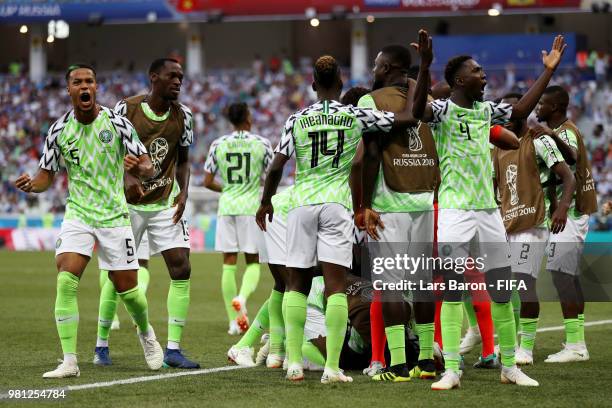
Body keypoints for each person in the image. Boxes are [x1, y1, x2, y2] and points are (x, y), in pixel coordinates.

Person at [412, 29, 567, 389]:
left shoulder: (486, 111)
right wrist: (424, 67)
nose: (484, 75)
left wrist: (548, 71)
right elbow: (416, 109)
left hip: (488, 212)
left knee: (501, 289)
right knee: (451, 290)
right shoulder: (441, 111)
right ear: (459, 80)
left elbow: (521, 110)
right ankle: (452, 369)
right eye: (478, 71)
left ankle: (509, 366)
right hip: (453, 211)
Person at [256, 55, 418, 384]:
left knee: (297, 285)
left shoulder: (296, 118)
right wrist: (418, 77)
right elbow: (409, 118)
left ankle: (295, 364)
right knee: (336, 288)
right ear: (341, 84)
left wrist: (265, 203)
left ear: (313, 86)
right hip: (337, 206)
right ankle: (332, 368)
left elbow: (276, 167)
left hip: (302, 204)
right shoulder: (355, 114)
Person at [15, 63, 162, 378]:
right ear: (69, 89)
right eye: (78, 82)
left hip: (113, 215)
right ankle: (69, 361)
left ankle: (146, 332)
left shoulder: (118, 124)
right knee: (66, 278)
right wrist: (32, 186)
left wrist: (140, 169)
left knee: (128, 290)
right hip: (78, 214)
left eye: (90, 81)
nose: (85, 86)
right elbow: (45, 177)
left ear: (96, 88)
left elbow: (149, 166)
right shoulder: (58, 130)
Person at [95, 58, 198, 369]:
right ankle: (101, 344)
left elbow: (183, 160)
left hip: (165, 202)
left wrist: (185, 193)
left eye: (181, 77)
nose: (178, 81)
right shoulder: (127, 109)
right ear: (154, 77)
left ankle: (174, 349)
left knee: (181, 268)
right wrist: (127, 178)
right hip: (129, 205)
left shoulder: (185, 116)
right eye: (172, 76)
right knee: (118, 274)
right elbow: (108, 152)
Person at [358, 44, 438, 382]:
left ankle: (398, 364)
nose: (373, 70)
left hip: (389, 202)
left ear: (389, 67)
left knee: (389, 284)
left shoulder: (370, 101)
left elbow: (368, 156)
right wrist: (426, 69)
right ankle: (427, 361)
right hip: (424, 199)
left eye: (377, 64)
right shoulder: (429, 101)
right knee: (421, 283)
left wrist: (363, 206)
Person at [493, 93, 575, 365]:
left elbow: (568, 175)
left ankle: (525, 350)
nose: (505, 116)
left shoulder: (538, 141)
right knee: (506, 287)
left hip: (533, 222)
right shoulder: (497, 146)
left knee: (524, 284)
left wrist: (562, 208)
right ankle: (509, 344)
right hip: (506, 223)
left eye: (511, 111)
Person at [535, 85, 598, 363]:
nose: (538, 109)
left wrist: (550, 135)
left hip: (570, 213)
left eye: (543, 104)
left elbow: (570, 156)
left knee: (561, 276)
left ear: (556, 108)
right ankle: (577, 342)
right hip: (568, 213)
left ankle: (575, 345)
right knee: (568, 276)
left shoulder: (566, 131)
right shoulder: (562, 130)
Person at [204, 102, 273, 335]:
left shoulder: (218, 144)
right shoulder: (261, 144)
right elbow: (271, 174)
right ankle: (242, 297)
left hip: (227, 206)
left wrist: (228, 190)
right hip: (251, 207)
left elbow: (207, 181)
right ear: (248, 117)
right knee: (253, 261)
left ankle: (234, 322)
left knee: (228, 263)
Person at [227, 186, 293, 368]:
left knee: (282, 284)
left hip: (267, 210)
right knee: (294, 284)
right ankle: (287, 351)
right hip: (283, 213)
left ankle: (272, 350)